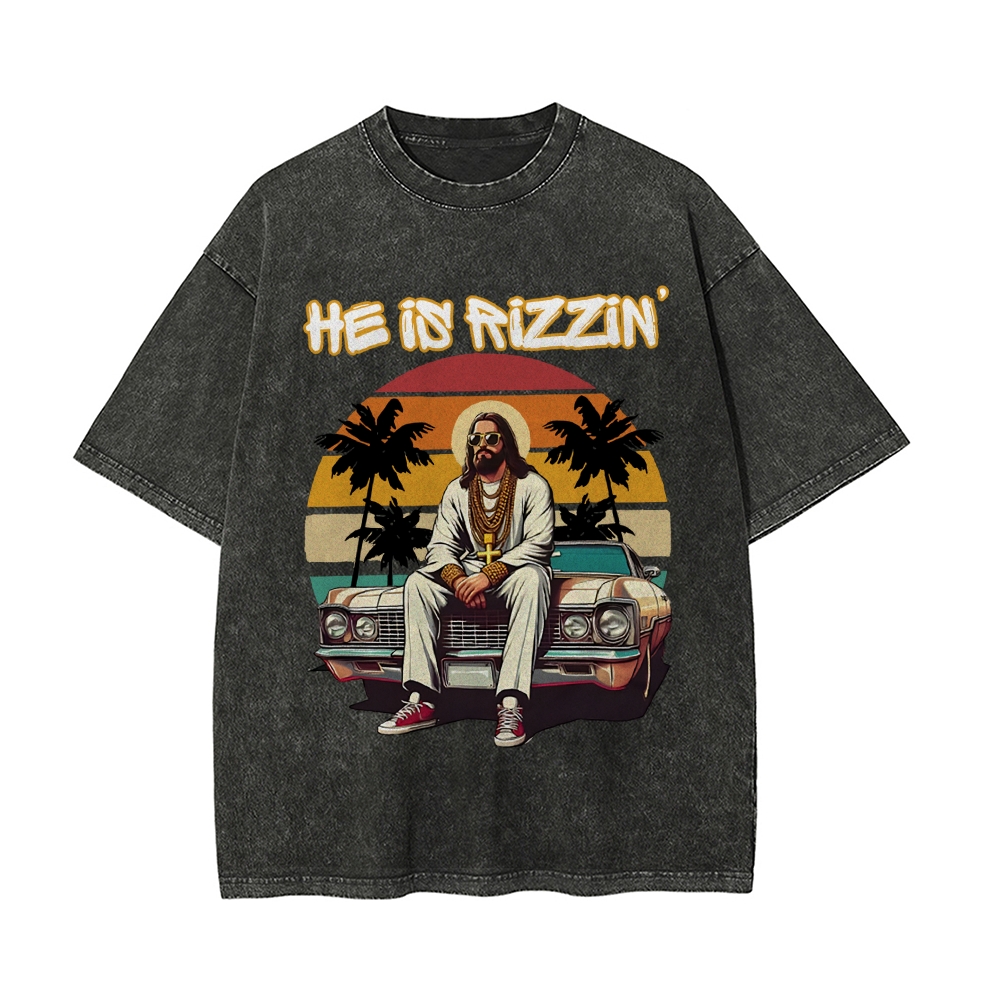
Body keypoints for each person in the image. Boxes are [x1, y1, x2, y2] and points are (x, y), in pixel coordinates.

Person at [378, 411, 554, 746]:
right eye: (475, 439)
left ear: (507, 444)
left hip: (516, 572)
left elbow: (539, 543)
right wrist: (459, 580)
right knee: (417, 584)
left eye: (491, 438)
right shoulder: (458, 490)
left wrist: (488, 576)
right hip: (469, 571)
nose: (482, 445)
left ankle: (510, 704)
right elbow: (440, 546)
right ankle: (421, 699)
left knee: (533, 579)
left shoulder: (532, 485)